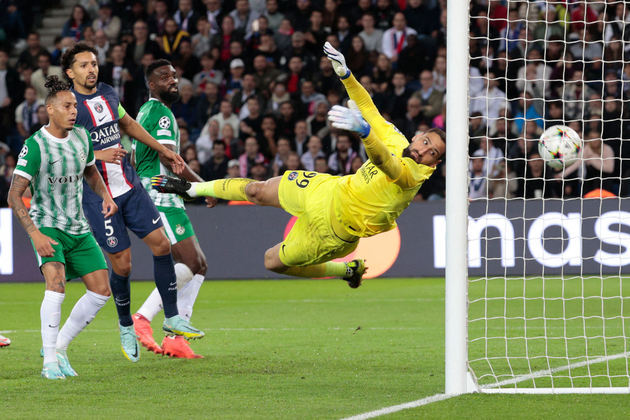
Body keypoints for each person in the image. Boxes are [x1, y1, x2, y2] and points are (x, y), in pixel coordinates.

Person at [151, 43, 446, 287]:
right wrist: (346, 75)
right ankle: (193, 188)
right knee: (256, 190)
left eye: (432, 153)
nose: (424, 151)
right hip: (327, 190)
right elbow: (368, 107)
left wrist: (366, 134)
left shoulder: (413, 177)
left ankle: (347, 270)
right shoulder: (396, 137)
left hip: (335, 230)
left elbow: (386, 165)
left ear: (435, 164)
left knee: (272, 261)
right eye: (425, 143)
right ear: (418, 135)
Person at [61, 43, 203, 362]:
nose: (91, 69)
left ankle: (171, 317)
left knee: (162, 245)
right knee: (123, 266)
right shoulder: (67, 106)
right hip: (100, 196)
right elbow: (62, 153)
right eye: (83, 65)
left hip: (130, 185)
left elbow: (128, 125)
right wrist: (97, 154)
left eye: (94, 63)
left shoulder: (109, 93)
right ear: (70, 73)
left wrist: (163, 150)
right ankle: (126, 324)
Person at [7, 76, 117, 379]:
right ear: (50, 110)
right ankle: (49, 363)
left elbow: (91, 171)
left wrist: (105, 195)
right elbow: (14, 194)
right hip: (47, 226)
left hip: (79, 228)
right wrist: (35, 234)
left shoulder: (82, 137)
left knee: (101, 291)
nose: (73, 111)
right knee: (56, 284)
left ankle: (60, 347)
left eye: (75, 106)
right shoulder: (36, 146)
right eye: (67, 106)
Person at [131, 59, 214, 358]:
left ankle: (178, 337)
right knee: (191, 263)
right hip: (160, 195)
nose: (173, 80)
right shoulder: (161, 113)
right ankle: (142, 318)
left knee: (200, 265)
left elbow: (134, 158)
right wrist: (204, 187)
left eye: (175, 76)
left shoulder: (145, 113)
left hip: (163, 194)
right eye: (165, 77)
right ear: (151, 84)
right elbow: (170, 159)